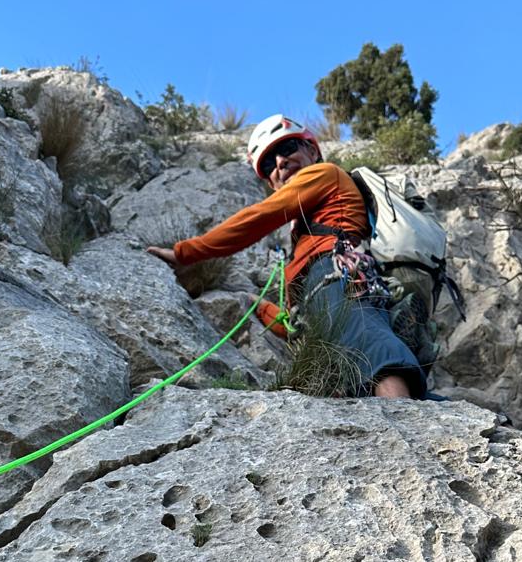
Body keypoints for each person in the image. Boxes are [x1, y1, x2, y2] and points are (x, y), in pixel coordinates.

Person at [146, 115, 426, 400]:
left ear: (312, 151)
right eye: (269, 163)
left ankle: (407, 425)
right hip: (330, 284)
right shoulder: (306, 235)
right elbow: (295, 323)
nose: (280, 161)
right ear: (270, 181)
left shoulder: (325, 173)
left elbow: (259, 217)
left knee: (367, 341)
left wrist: (187, 253)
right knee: (356, 358)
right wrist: (257, 306)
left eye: (287, 147)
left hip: (338, 272)